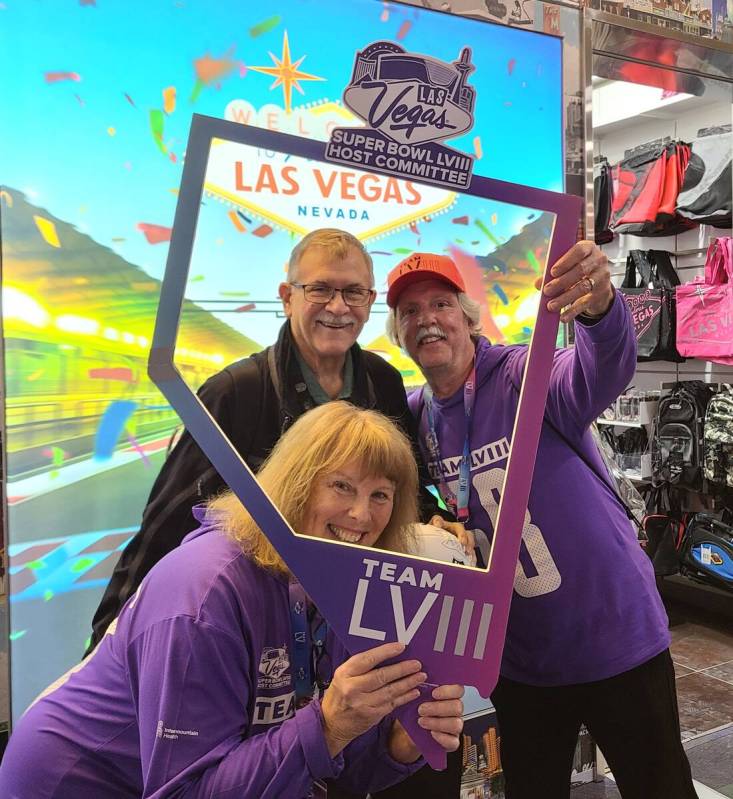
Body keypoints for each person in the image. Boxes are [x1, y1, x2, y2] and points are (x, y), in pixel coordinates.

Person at [0, 402, 464, 799]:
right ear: (297, 484)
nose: (361, 514)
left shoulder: (338, 582)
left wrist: (395, 745)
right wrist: (327, 726)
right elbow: (185, 790)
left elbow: (329, 758)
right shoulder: (204, 593)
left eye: (380, 495)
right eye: (341, 486)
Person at [384, 246, 698, 799]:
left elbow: (598, 371)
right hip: (523, 661)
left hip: (614, 639)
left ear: (467, 316)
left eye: (440, 303)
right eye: (409, 311)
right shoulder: (415, 416)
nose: (426, 319)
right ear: (398, 332)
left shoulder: (515, 374)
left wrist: (600, 311)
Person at [89, 228, 469, 651]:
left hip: (345, 618)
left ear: (369, 301)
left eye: (354, 292)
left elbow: (401, 485)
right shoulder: (235, 392)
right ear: (288, 297)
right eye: (320, 290)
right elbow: (163, 529)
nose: (338, 307)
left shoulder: (382, 382)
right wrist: (109, 641)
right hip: (255, 618)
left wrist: (432, 516)